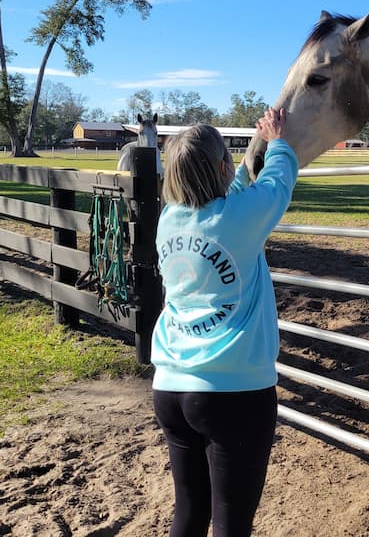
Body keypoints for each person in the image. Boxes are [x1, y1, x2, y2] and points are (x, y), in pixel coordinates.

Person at [151, 108, 297, 537]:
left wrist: (237, 172)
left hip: (172, 386)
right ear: (220, 166)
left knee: (189, 513)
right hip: (233, 394)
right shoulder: (239, 218)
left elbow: (224, 200)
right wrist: (278, 141)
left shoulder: (169, 220)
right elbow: (278, 183)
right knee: (232, 521)